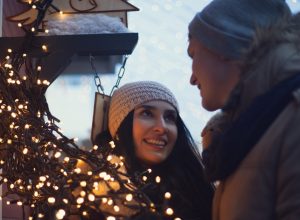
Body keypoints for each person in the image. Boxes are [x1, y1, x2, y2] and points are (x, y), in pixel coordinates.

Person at [187, 0, 300, 219]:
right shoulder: (247, 131)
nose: (191, 79)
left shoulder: (292, 119)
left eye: (193, 54)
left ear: (223, 45)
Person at [95, 81, 214, 220]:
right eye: (147, 113)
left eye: (169, 117)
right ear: (121, 125)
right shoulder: (96, 191)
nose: (162, 127)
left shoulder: (196, 187)